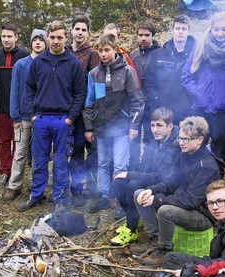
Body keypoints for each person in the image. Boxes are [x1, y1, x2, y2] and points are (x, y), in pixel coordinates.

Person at [17, 20, 86, 211]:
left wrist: (70, 118)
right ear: (48, 37)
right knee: (39, 160)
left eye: (60, 37)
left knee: (61, 161)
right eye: (53, 37)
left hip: (63, 120)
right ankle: (36, 195)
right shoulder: (39, 62)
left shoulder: (73, 63)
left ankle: (60, 199)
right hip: (40, 119)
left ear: (66, 38)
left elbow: (80, 93)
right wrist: (32, 115)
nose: (56, 41)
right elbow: (29, 89)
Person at [134, 116, 220, 265]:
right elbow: (170, 182)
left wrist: (158, 200)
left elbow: (191, 200)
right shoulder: (183, 155)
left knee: (165, 210)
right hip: (184, 205)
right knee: (139, 193)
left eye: (186, 139)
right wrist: (151, 191)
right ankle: (154, 237)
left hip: (202, 215)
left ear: (199, 140)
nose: (181, 142)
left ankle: (164, 251)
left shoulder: (206, 166)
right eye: (180, 138)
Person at [181, 11, 225, 176]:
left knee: (220, 154)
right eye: (216, 29)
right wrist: (197, 92)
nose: (220, 33)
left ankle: (215, 190)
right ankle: (193, 187)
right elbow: (186, 76)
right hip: (200, 110)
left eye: (224, 29)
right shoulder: (201, 47)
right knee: (194, 150)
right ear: (211, 29)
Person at [83, 34, 144, 214]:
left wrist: (133, 126)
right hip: (101, 128)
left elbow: (137, 101)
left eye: (107, 50)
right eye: (100, 50)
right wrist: (89, 127)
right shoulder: (94, 74)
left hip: (122, 128)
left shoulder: (127, 72)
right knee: (102, 163)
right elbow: (89, 102)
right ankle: (103, 196)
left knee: (119, 165)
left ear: (115, 50)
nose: (103, 54)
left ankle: (119, 200)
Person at [109, 107, 180, 245]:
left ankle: (131, 229)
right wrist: (131, 174)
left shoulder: (175, 145)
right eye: (153, 125)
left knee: (133, 185)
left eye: (159, 125)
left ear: (170, 126)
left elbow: (161, 177)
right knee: (117, 184)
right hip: (153, 180)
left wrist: (130, 174)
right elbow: (145, 166)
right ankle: (135, 217)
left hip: (168, 186)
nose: (155, 129)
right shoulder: (155, 140)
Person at [2, 29, 49, 201]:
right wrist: (15, 116)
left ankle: (35, 185)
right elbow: (14, 91)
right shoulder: (21, 65)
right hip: (23, 117)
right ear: (30, 43)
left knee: (39, 153)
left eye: (41, 40)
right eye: (34, 40)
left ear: (46, 43)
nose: (38, 43)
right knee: (20, 152)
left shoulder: (49, 63)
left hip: (43, 116)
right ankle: (14, 185)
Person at [67, 14, 100, 206]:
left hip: (87, 108)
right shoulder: (64, 51)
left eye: (83, 30)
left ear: (88, 33)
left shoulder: (92, 54)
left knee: (92, 149)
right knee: (75, 149)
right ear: (72, 30)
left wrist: (95, 106)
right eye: (77, 29)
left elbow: (97, 83)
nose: (79, 33)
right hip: (69, 108)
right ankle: (76, 188)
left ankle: (92, 186)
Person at [0, 23, 30, 188]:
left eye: (9, 36)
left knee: (19, 142)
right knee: (4, 141)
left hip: (19, 110)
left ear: (16, 37)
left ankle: (16, 171)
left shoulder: (24, 56)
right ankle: (5, 171)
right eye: (3, 36)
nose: (6, 39)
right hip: (0, 107)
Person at [148, 14, 197, 122]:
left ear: (189, 31)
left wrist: (194, 103)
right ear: (172, 30)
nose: (180, 31)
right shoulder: (158, 55)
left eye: (184, 29)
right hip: (164, 111)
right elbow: (148, 80)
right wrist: (157, 99)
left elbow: (201, 81)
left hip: (188, 111)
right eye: (177, 28)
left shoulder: (197, 55)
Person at [128, 19, 162, 171]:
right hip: (135, 104)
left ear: (152, 35)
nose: (143, 38)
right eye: (140, 35)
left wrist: (157, 98)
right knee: (133, 139)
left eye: (146, 35)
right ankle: (133, 168)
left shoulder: (160, 53)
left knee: (150, 138)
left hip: (153, 104)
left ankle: (147, 169)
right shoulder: (133, 55)